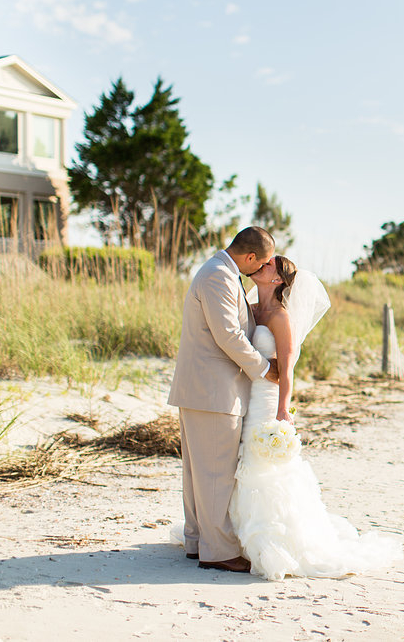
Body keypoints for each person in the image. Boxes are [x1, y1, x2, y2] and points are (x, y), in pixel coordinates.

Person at [229, 255, 402, 581]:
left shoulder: (280, 317)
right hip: (243, 398)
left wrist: (283, 411)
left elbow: (288, 370)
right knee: (240, 464)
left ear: (278, 279)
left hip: (267, 402)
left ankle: (270, 540)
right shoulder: (251, 311)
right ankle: (233, 538)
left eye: (269, 266)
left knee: (263, 466)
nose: (261, 267)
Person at [168, 226, 279, 573]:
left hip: (204, 389)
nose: (260, 269)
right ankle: (217, 551)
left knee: (198, 472)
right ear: (248, 257)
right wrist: (263, 369)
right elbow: (227, 334)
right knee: (215, 472)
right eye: (259, 264)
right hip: (213, 390)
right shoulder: (218, 276)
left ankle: (196, 539)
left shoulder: (220, 272)